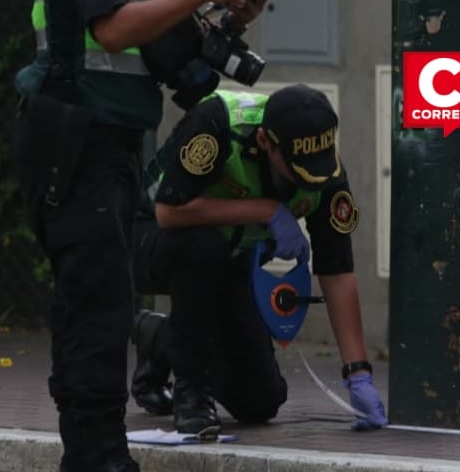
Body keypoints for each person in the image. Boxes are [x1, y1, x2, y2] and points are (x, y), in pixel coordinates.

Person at [13, 0, 269, 472]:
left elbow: (182, 63)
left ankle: (96, 455)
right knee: (96, 307)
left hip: (110, 146)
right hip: (75, 143)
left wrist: (235, 17)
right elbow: (112, 28)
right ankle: (98, 458)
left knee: (104, 301)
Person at [129, 84, 388, 438]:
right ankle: (191, 395)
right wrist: (267, 210)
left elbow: (338, 270)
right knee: (202, 246)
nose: (306, 178)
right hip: (149, 240)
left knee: (260, 401)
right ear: (265, 141)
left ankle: (161, 338)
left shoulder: (323, 171)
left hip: (228, 261)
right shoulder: (218, 125)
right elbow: (169, 212)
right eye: (296, 166)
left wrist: (358, 374)